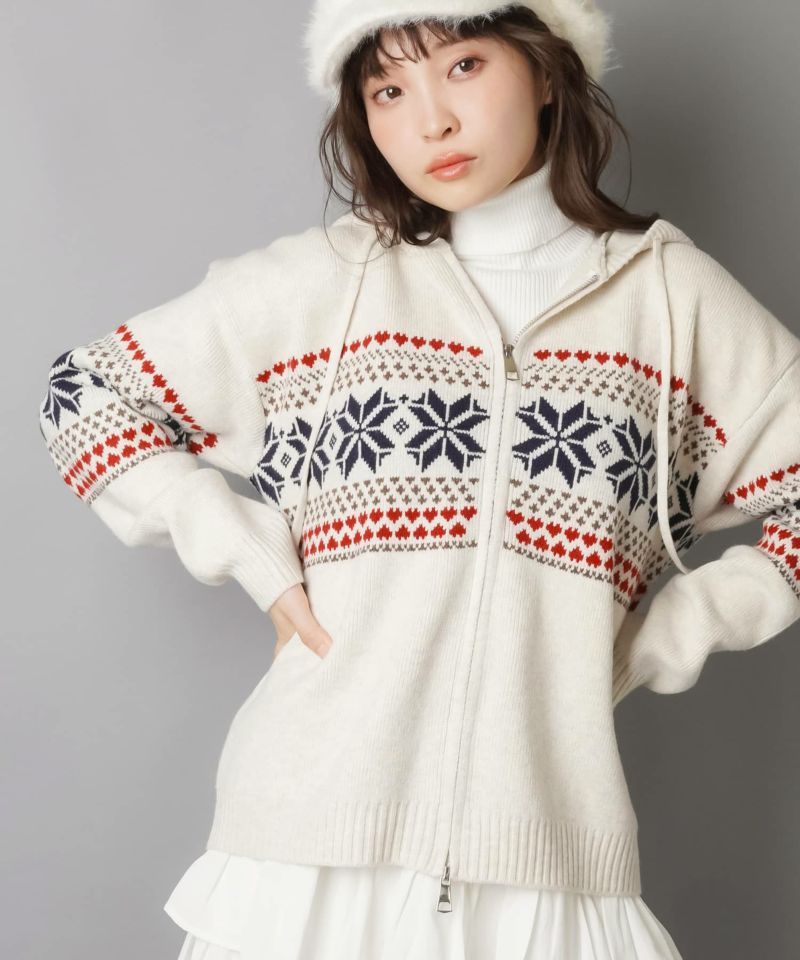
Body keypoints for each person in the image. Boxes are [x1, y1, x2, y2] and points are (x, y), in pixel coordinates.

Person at [37, 2, 800, 958]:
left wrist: (660, 640)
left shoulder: (670, 302)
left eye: (464, 66)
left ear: (547, 69)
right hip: (303, 859)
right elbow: (84, 393)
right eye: (388, 90)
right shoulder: (327, 286)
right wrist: (246, 549)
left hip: (547, 858)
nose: (431, 119)